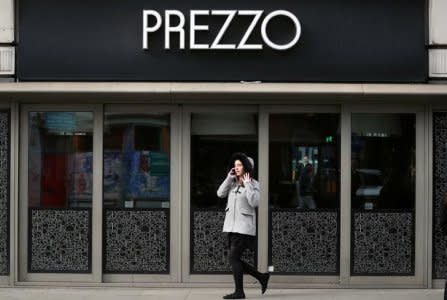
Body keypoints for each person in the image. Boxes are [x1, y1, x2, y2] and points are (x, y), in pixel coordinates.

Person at [217, 152, 270, 299]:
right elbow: (220, 193)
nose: (237, 167)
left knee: (233, 258)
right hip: (231, 228)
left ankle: (239, 292)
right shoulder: (232, 183)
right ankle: (261, 277)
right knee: (235, 259)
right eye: (235, 165)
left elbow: (255, 202)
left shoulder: (254, 184)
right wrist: (229, 177)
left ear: (247, 167)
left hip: (244, 228)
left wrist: (247, 184)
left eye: (240, 165)